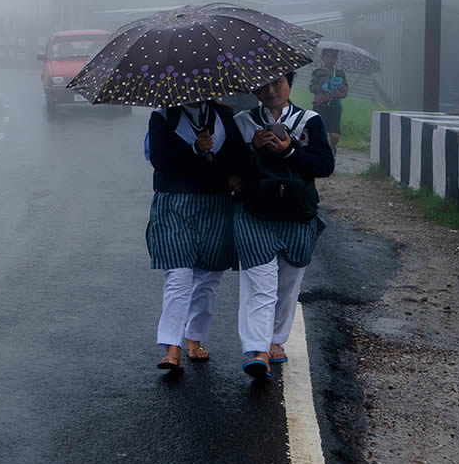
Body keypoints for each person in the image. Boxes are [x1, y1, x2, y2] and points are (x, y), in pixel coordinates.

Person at [233, 74, 334, 379]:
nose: (271, 90)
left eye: (278, 83)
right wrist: (253, 148)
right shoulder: (243, 122)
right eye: (263, 84)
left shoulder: (310, 121)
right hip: (255, 212)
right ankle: (258, 350)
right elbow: (229, 166)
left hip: (297, 212)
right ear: (253, 88)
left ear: (290, 84)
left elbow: (324, 166)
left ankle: (276, 339)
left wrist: (289, 150)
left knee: (288, 283)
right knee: (259, 283)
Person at [145, 101, 247, 372]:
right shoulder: (163, 117)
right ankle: (171, 347)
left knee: (208, 278)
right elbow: (160, 160)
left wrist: (234, 176)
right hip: (174, 202)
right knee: (178, 275)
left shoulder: (224, 114)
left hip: (216, 203)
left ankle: (194, 338)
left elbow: (236, 154)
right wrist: (194, 149)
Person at [308, 49, 348, 151]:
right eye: (327, 57)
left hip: (335, 107)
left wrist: (341, 93)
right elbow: (311, 88)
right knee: (321, 131)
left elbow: (345, 91)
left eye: (333, 57)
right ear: (322, 58)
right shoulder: (317, 72)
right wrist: (322, 87)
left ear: (336, 59)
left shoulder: (340, 73)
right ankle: (323, 151)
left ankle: (332, 146)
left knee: (335, 135)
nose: (330, 60)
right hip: (320, 106)